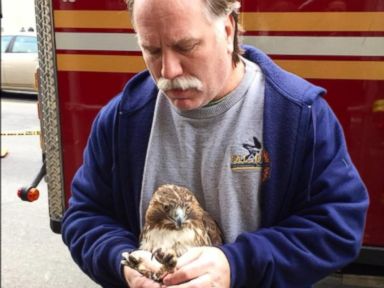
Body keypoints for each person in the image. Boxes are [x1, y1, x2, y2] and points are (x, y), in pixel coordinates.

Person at [61, 0, 369, 287]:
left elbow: (337, 226)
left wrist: (236, 265)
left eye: (186, 46)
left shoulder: (297, 113)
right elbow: (85, 217)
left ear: (228, 29)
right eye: (152, 50)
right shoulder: (123, 117)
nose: (169, 71)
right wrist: (124, 264)